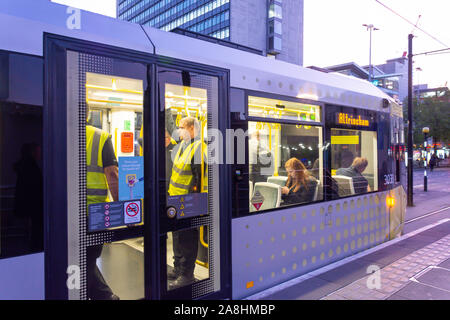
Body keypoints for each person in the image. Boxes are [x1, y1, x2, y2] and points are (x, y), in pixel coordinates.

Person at [168, 117, 207, 289]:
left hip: (188, 202)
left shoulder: (199, 148)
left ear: (192, 129)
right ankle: (177, 269)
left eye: (182, 127)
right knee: (177, 238)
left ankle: (187, 274)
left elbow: (198, 181)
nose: (179, 130)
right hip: (175, 199)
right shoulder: (184, 147)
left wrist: (192, 203)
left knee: (187, 240)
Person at [86, 111, 119, 300]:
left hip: (68, 210)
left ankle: (106, 296)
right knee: (88, 259)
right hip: (95, 212)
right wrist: (122, 208)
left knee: (83, 258)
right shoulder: (100, 137)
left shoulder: (64, 132)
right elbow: (112, 174)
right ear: (88, 113)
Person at [14, 143, 43, 253]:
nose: (40, 153)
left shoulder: (25, 167)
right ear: (33, 152)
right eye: (38, 151)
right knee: (34, 231)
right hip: (33, 206)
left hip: (28, 205)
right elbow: (34, 188)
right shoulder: (31, 168)